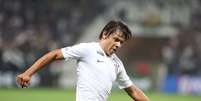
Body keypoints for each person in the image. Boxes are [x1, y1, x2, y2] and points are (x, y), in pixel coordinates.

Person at [16, 20, 150, 101]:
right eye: (116, 39)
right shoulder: (88, 49)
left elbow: (132, 91)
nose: (118, 44)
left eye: (121, 42)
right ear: (105, 34)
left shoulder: (117, 64)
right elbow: (55, 55)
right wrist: (28, 73)